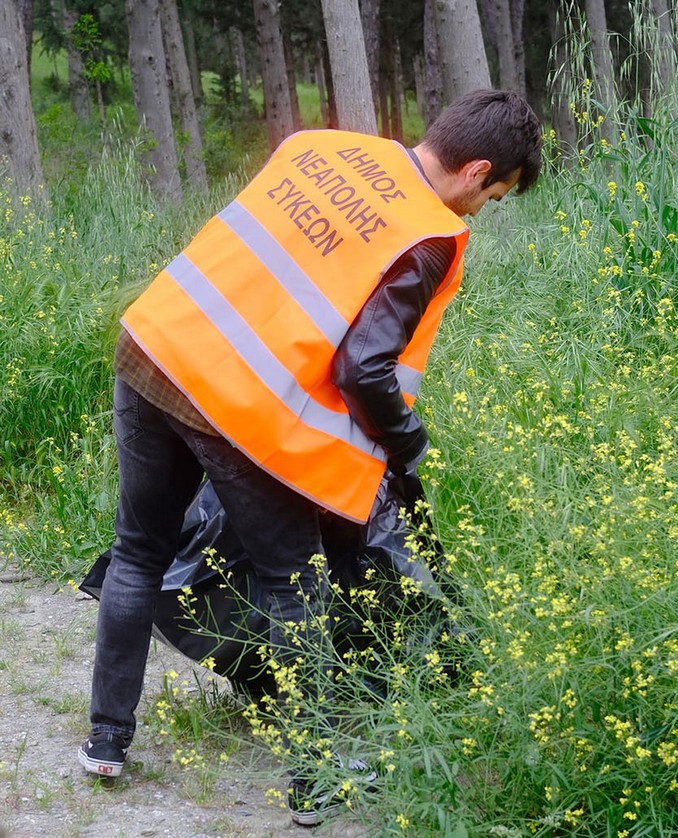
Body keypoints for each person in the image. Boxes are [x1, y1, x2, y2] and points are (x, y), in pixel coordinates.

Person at [78, 90, 542, 825]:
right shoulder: (430, 235)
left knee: (138, 550)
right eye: (493, 194)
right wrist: (407, 444)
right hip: (239, 406)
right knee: (296, 585)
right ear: (477, 169)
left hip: (156, 344)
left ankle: (106, 744)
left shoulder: (315, 146)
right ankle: (315, 778)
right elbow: (366, 367)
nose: (481, 209)